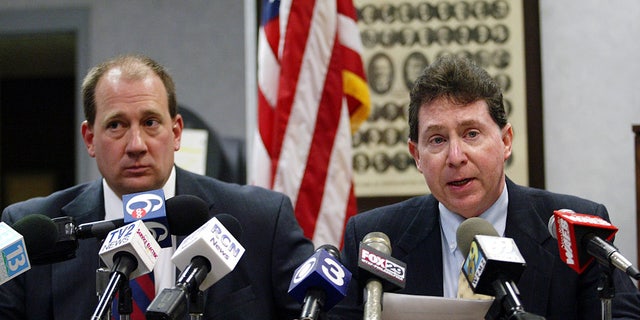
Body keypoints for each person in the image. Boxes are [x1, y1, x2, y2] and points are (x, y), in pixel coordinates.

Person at [0, 54, 314, 320]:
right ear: (90, 139)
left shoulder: (262, 220)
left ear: (176, 133)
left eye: (150, 122)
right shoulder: (27, 231)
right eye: (116, 125)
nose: (136, 145)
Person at [328, 55, 640, 319]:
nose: (456, 156)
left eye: (471, 134)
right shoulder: (373, 239)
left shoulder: (574, 234)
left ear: (505, 142)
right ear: (417, 156)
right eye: (437, 140)